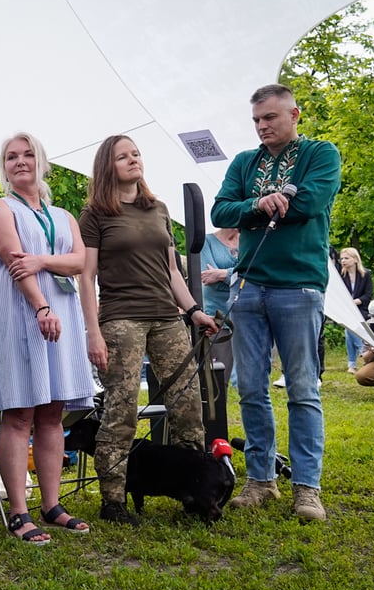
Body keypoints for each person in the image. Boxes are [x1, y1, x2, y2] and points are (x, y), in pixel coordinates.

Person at [211, 83, 341, 522]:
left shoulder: (321, 154)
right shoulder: (245, 162)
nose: (262, 126)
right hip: (247, 286)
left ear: (295, 114)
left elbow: (310, 200)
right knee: (250, 389)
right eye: (256, 121)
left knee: (303, 389)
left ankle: (307, 488)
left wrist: (265, 204)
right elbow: (221, 212)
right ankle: (261, 481)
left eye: (270, 117)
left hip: (299, 286)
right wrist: (257, 202)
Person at [79, 134, 218, 525]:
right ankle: (113, 500)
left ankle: (193, 488)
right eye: (123, 156)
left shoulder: (158, 208)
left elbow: (172, 271)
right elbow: (86, 277)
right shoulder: (95, 214)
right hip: (120, 318)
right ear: (108, 165)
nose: (133, 160)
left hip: (167, 317)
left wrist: (192, 310)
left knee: (188, 404)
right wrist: (93, 331)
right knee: (121, 409)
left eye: (136, 153)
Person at [0, 133, 95, 543]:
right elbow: (15, 263)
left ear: (41, 161)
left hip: (60, 315)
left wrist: (45, 261)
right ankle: (18, 510)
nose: (20, 161)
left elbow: (80, 260)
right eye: (11, 157)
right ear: (4, 167)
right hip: (19, 314)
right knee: (19, 413)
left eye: (28, 154)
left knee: (52, 411)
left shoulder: (64, 215)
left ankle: (52, 505)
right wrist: (40, 305)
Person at [200, 228, 239, 388]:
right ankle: (214, 413)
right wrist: (235, 276)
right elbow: (206, 277)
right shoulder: (206, 241)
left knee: (249, 380)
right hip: (216, 318)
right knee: (218, 379)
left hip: (246, 315)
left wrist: (222, 274)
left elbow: (253, 272)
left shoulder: (249, 241)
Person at [338, 247, 373, 373]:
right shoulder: (340, 275)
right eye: (342, 258)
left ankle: (353, 363)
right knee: (349, 329)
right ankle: (363, 355)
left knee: (349, 331)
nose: (343, 261)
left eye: (346, 258)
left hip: (361, 309)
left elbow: (368, 295)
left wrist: (354, 302)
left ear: (355, 259)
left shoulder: (366, 274)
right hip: (346, 310)